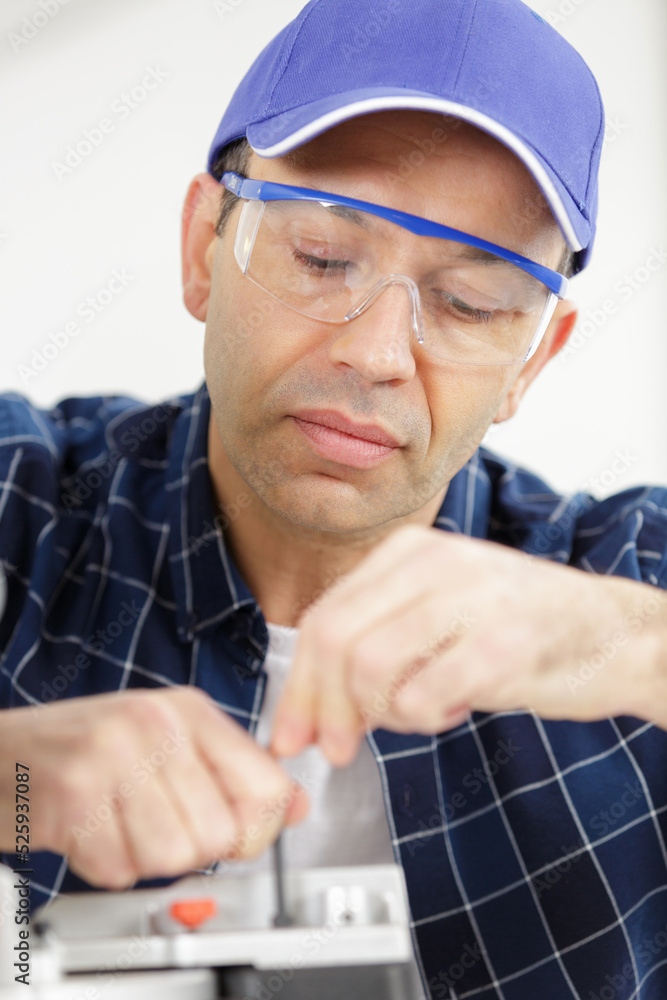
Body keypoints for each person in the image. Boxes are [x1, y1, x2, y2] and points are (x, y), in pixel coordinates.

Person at [1, 0, 666, 996]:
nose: (375, 353)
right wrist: (9, 782)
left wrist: (631, 645)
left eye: (470, 301)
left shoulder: (626, 575)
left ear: (534, 359)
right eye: (320, 256)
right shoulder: (26, 500)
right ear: (201, 248)